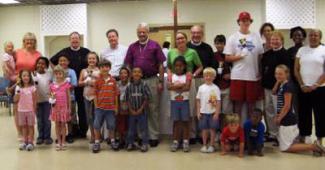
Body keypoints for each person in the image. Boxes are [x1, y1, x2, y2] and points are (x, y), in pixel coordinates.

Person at [124, 23, 165, 147]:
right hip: (137, 82)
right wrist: (131, 79)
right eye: (139, 32)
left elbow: (161, 65)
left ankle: (153, 136)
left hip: (152, 79)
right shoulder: (132, 47)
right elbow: (128, 65)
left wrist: (160, 81)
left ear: (148, 32)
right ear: (137, 32)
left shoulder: (155, 45)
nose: (142, 34)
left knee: (153, 108)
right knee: (138, 109)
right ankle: (142, 136)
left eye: (144, 32)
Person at [274, 64, 325, 156]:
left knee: (285, 148)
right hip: (286, 118)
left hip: (288, 119)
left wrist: (279, 118)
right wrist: (278, 81)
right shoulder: (283, 85)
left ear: (287, 74)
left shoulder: (287, 87)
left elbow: (287, 106)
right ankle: (305, 144)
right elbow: (275, 93)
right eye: (276, 74)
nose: (278, 76)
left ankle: (313, 146)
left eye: (280, 74)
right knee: (287, 143)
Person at [51, 31, 90, 139]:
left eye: (77, 38)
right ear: (70, 40)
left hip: (81, 85)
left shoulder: (86, 51)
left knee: (82, 110)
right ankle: (73, 131)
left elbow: (92, 62)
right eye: (72, 38)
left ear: (80, 40)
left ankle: (83, 131)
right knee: (70, 110)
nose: (75, 40)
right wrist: (57, 71)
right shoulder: (64, 51)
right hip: (68, 89)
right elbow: (51, 60)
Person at [224, 11, 264, 117]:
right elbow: (227, 57)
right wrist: (239, 56)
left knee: (252, 106)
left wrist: (260, 72)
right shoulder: (233, 37)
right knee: (238, 105)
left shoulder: (256, 37)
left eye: (247, 20)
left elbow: (260, 57)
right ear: (239, 22)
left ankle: (251, 130)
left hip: (253, 76)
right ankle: (238, 130)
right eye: (243, 20)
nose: (245, 22)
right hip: (238, 76)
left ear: (250, 22)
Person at [168, 31, 203, 144]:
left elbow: (200, 67)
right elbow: (168, 66)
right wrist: (169, 76)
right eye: (178, 39)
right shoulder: (171, 52)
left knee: (189, 112)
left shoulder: (192, 52)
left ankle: (190, 136)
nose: (180, 40)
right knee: (177, 116)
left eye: (182, 38)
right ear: (175, 41)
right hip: (174, 82)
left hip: (188, 82)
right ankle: (177, 139)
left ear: (186, 39)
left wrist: (192, 75)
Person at [294, 29, 325, 145]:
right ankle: (305, 137)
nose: (313, 37)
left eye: (315, 35)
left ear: (320, 37)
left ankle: (319, 139)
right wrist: (302, 84)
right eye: (311, 35)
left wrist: (316, 85)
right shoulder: (302, 50)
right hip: (303, 88)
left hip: (320, 88)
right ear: (308, 37)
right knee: (304, 114)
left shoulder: (323, 50)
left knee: (320, 115)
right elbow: (296, 69)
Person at [261, 31, 290, 143]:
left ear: (281, 40)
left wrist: (276, 85)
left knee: (279, 111)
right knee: (268, 110)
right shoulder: (267, 54)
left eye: (277, 39)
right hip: (266, 87)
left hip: (278, 88)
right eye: (272, 39)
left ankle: (280, 135)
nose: (274, 41)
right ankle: (273, 133)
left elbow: (284, 72)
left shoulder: (285, 53)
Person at [92, 60, 119, 153]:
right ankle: (96, 142)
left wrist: (116, 107)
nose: (105, 68)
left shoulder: (113, 80)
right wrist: (96, 107)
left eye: (107, 67)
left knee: (111, 125)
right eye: (102, 67)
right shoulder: (97, 81)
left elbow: (116, 95)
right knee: (96, 125)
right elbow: (95, 94)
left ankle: (112, 141)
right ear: (99, 68)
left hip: (110, 108)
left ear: (110, 68)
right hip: (99, 108)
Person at [167, 56, 192, 152]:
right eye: (176, 66)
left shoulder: (187, 75)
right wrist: (181, 85)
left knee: (185, 122)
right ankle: (175, 141)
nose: (178, 67)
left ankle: (186, 141)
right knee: (176, 122)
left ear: (184, 66)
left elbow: (187, 88)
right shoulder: (171, 76)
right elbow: (168, 87)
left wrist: (175, 86)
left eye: (180, 66)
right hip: (174, 102)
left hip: (185, 102)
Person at [125, 67, 151, 152]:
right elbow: (127, 99)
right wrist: (131, 109)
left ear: (141, 74)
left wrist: (141, 109)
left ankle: (144, 144)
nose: (136, 73)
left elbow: (147, 98)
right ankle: (130, 143)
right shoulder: (129, 86)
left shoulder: (144, 84)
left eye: (139, 72)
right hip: (132, 112)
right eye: (134, 72)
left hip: (142, 111)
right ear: (131, 74)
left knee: (143, 128)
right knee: (131, 129)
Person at [196, 67, 221, 153]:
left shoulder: (216, 88)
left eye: (210, 76)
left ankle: (212, 145)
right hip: (203, 113)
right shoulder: (201, 88)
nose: (208, 77)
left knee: (212, 129)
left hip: (212, 113)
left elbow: (218, 101)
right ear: (203, 77)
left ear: (214, 77)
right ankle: (204, 145)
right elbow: (198, 101)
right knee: (204, 129)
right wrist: (198, 112)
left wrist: (217, 113)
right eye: (206, 76)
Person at [78, 52, 100, 144]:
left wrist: (95, 81)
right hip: (86, 96)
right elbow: (79, 83)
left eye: (93, 58)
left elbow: (102, 82)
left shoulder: (100, 70)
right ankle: (92, 135)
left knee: (97, 117)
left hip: (97, 97)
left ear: (97, 60)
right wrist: (86, 82)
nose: (91, 60)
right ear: (87, 60)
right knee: (89, 117)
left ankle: (98, 135)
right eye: (90, 58)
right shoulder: (83, 71)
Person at [49, 65, 71, 151]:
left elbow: (68, 97)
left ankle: (63, 141)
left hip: (64, 107)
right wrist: (51, 99)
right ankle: (58, 141)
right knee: (57, 124)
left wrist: (69, 107)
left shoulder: (66, 85)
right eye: (56, 74)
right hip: (55, 108)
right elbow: (51, 96)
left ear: (63, 74)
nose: (58, 75)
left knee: (63, 125)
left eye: (60, 73)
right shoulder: (52, 85)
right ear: (54, 74)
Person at [14, 70, 37, 151]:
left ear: (30, 77)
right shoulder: (18, 87)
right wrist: (17, 90)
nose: (26, 77)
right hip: (21, 110)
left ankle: (31, 142)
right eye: (24, 76)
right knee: (23, 126)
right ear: (21, 77)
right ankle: (25, 141)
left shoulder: (32, 87)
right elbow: (15, 100)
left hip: (30, 110)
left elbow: (34, 99)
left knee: (31, 126)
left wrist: (34, 109)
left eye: (27, 75)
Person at [57, 55, 78, 143]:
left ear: (68, 62)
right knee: (59, 119)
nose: (62, 62)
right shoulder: (56, 71)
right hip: (58, 100)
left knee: (70, 117)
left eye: (64, 60)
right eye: (60, 61)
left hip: (70, 99)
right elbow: (53, 84)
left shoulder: (71, 71)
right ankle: (61, 135)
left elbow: (74, 84)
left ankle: (70, 134)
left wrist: (63, 88)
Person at [287, 26, 307, 121]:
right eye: (294, 35)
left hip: (307, 83)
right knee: (296, 107)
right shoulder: (289, 51)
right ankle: (300, 129)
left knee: (306, 107)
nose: (297, 37)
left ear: (303, 37)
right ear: (292, 37)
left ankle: (307, 129)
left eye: (299, 35)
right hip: (294, 84)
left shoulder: (308, 50)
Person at [187, 25, 216, 89]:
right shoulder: (186, 47)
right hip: (189, 80)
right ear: (190, 34)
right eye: (194, 33)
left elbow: (213, 64)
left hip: (205, 80)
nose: (196, 35)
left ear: (202, 34)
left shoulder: (208, 48)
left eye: (198, 32)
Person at [33, 57, 53, 145]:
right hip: (37, 101)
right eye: (39, 63)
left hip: (47, 101)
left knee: (47, 120)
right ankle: (40, 136)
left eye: (43, 63)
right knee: (39, 120)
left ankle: (47, 137)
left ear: (46, 65)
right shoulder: (33, 74)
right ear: (36, 64)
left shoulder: (49, 74)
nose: (40, 65)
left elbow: (52, 86)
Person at [213, 34, 232, 114]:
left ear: (224, 44)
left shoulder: (229, 55)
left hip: (227, 86)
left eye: (221, 43)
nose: (219, 45)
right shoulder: (213, 56)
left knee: (226, 111)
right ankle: (218, 127)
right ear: (214, 44)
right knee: (216, 110)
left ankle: (226, 126)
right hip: (216, 86)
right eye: (217, 43)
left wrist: (231, 75)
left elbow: (235, 68)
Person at [116, 67, 130, 149]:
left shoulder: (131, 84)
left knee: (128, 124)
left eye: (125, 73)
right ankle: (121, 140)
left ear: (128, 75)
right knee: (120, 123)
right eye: (121, 73)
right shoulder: (117, 84)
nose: (123, 75)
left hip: (128, 106)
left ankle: (128, 140)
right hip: (119, 105)